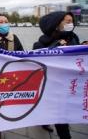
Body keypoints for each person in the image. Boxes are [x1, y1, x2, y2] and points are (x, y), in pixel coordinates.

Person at [33, 11, 78, 139]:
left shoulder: (74, 39)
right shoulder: (41, 43)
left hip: (70, 84)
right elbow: (37, 62)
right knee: (60, 115)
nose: (71, 24)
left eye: (72, 21)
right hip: (52, 87)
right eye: (67, 21)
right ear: (57, 25)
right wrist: (56, 47)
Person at [0, 14, 24, 139]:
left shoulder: (14, 38)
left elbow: (22, 53)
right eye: (0, 22)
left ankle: (2, 123)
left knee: (5, 103)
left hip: (9, 76)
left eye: (6, 21)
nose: (4, 24)